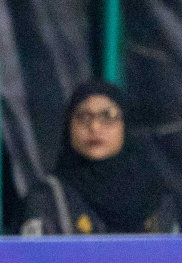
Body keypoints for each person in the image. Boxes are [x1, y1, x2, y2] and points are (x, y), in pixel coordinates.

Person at [21, 82, 179, 235]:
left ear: (127, 126)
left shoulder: (158, 195)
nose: (94, 127)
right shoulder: (48, 199)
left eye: (108, 116)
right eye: (83, 117)